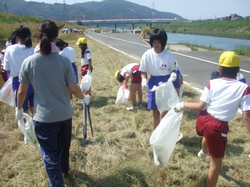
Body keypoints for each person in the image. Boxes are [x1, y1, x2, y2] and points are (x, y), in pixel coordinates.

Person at [15, 19, 89, 187]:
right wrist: (83, 98)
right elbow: (73, 87)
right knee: (63, 148)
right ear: (56, 37)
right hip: (64, 115)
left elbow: (21, 91)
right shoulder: (63, 61)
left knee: (50, 154)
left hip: (44, 117)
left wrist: (19, 109)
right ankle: (64, 170)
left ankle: (57, 182)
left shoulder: (29, 62)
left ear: (38, 36)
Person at [175, 51, 250, 187]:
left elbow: (200, 105)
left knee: (208, 134)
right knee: (216, 165)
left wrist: (182, 104)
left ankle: (203, 152)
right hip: (218, 127)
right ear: (238, 70)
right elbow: (246, 117)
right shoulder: (244, 89)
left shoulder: (212, 83)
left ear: (220, 68)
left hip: (203, 120)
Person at [139, 28, 181, 129]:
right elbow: (143, 71)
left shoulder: (169, 55)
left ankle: (166, 132)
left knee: (165, 111)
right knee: (155, 111)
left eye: (159, 42)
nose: (156, 45)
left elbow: (174, 69)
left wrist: (173, 74)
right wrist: (143, 79)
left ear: (163, 42)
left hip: (166, 83)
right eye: (154, 42)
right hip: (153, 83)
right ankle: (156, 134)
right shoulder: (147, 54)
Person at [3, 25, 34, 116]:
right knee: (34, 106)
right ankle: (37, 125)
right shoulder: (32, 50)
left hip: (18, 81)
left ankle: (26, 128)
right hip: (32, 80)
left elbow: (7, 69)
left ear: (17, 37)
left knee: (22, 108)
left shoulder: (10, 49)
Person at [56, 38, 78, 104]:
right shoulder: (71, 48)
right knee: (74, 84)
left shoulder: (62, 53)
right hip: (74, 66)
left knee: (67, 85)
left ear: (59, 46)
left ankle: (70, 100)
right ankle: (79, 98)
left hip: (67, 67)